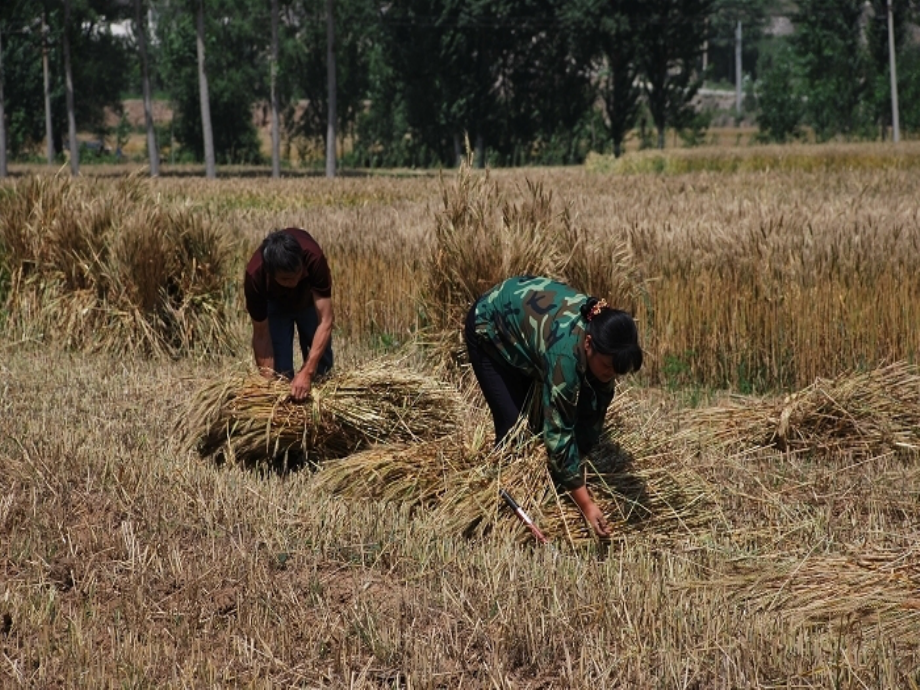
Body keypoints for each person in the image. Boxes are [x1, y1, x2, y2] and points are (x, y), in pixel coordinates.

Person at [464, 275, 643, 538]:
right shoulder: (564, 356)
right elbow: (559, 437)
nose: (609, 375)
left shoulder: (602, 339)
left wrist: (581, 455)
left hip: (530, 328)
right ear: (588, 344)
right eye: (606, 367)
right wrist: (586, 504)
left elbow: (595, 405)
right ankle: (498, 513)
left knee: (543, 425)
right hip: (491, 327)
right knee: (515, 433)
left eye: (616, 372)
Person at [244, 228, 334, 401]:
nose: (292, 281)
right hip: (276, 304)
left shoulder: (314, 258)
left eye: (297, 275)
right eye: (285, 279)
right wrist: (270, 389)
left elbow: (326, 321)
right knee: (280, 374)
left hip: (308, 300)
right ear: (271, 273)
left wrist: (307, 372)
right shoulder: (255, 276)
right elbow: (262, 335)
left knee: (322, 368)